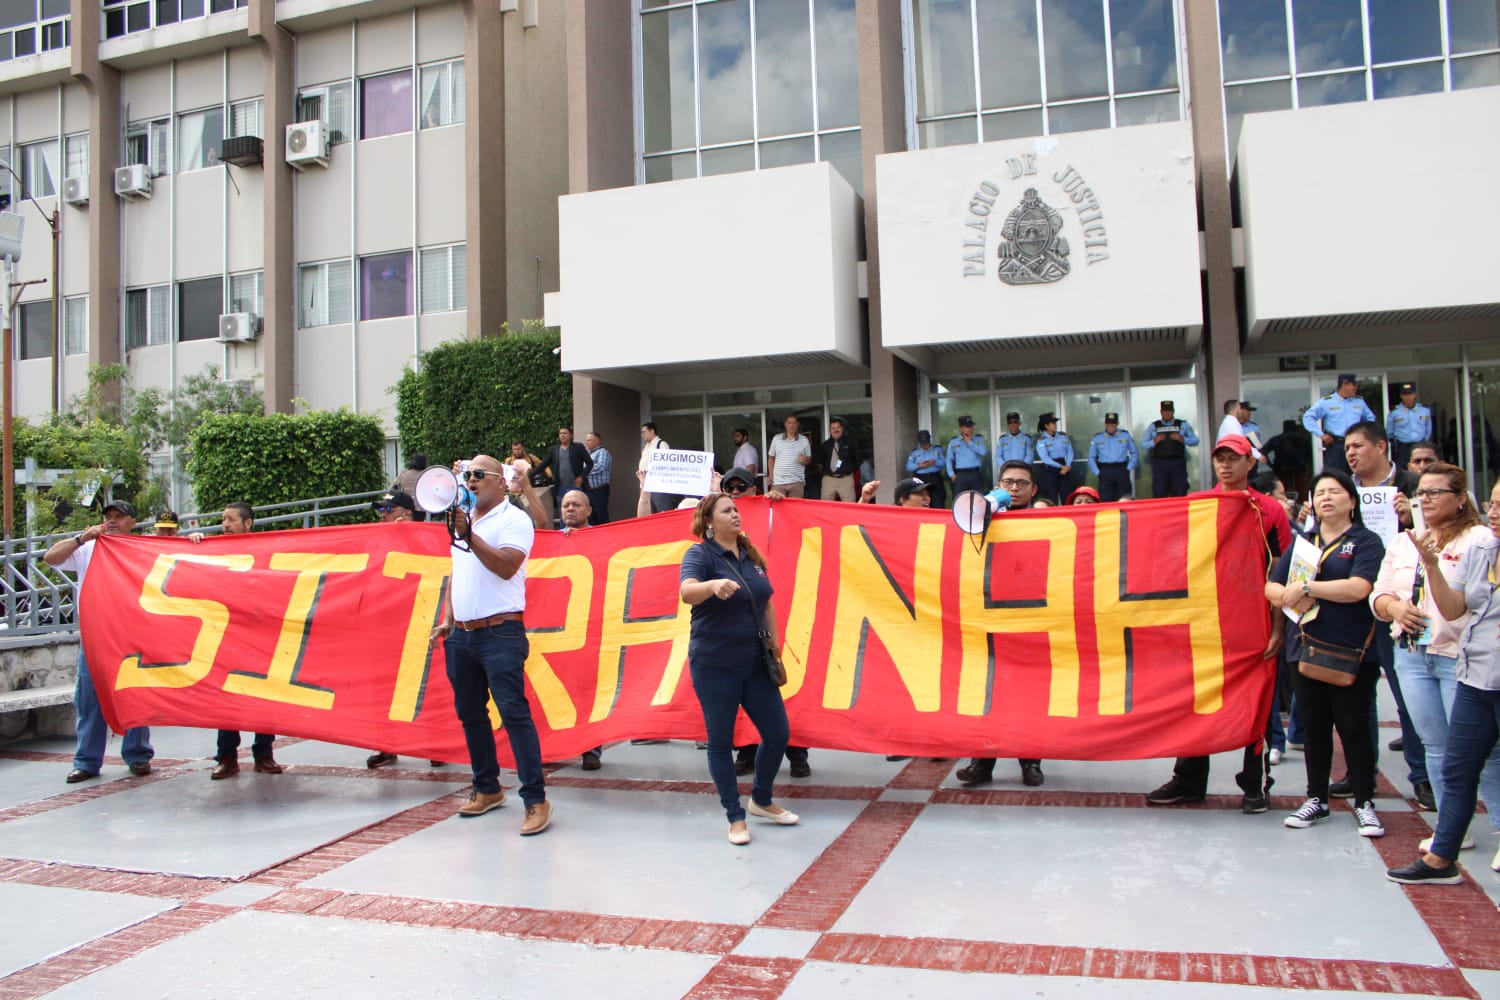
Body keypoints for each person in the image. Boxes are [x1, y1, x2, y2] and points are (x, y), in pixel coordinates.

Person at [1147, 435, 1290, 812]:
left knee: (1258, 701)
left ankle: (1256, 783)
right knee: (1197, 699)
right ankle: (1189, 779)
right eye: (1220, 458)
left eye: (1234, 458)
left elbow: (1283, 570)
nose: (1225, 465)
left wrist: (1278, 626)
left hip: (1254, 621)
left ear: (1250, 463)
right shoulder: (1197, 504)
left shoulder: (1269, 510)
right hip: (1205, 620)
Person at [1373, 463, 1500, 850]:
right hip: (1413, 654)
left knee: (1486, 751)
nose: (1424, 500)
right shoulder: (1404, 541)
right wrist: (1394, 608)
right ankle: (1451, 833)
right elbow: (1378, 594)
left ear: (1460, 499)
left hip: (1459, 656)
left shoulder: (1479, 539)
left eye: (1434, 492)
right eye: (1420, 493)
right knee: (1435, 744)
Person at [429, 456, 551, 834]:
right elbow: (458, 572)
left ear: (500, 481)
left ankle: (535, 799)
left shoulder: (514, 519)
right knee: (470, 714)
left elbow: (507, 566)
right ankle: (487, 787)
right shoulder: (465, 519)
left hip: (501, 632)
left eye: (479, 474)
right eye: (468, 475)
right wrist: (448, 618)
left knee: (514, 714)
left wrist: (469, 536)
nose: (471, 480)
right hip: (462, 634)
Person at [1267, 470, 1386, 838]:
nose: (1326, 498)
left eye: (1335, 491)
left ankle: (1364, 801)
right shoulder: (1304, 542)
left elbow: (1358, 588)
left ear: (1352, 500)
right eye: (1319, 493)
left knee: (1353, 727)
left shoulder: (1365, 541)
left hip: (1351, 649)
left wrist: (1307, 588)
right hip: (1304, 647)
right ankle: (1316, 799)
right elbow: (1272, 586)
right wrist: (1286, 594)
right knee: (1314, 728)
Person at [680, 492, 799, 845]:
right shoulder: (700, 554)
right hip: (714, 663)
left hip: (755, 660)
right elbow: (687, 592)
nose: (735, 514)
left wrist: (774, 647)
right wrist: (712, 585)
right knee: (720, 741)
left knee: (777, 733)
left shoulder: (751, 555)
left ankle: (761, 798)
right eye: (726, 510)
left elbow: (767, 604)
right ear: (709, 522)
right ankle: (735, 816)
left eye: (736, 509)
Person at [44, 500, 155, 784]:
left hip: (132, 635)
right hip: (96, 636)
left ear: (132, 522)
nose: (113, 520)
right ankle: (87, 761)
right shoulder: (88, 548)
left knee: (134, 694)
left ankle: (138, 755)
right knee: (89, 699)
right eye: (109, 516)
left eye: (120, 516)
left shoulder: (143, 548)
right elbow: (51, 558)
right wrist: (81, 538)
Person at [955, 460, 1047, 789]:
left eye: (1022, 483)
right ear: (998, 485)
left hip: (1032, 619)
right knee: (988, 694)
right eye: (1008, 482)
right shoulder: (985, 515)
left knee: (1028, 695)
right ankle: (982, 761)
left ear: (1034, 490)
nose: (1014, 488)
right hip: (990, 617)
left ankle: (1030, 761)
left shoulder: (1047, 521)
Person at [185, 503, 286, 780]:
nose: (225, 524)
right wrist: (194, 544)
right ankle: (226, 757)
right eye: (223, 519)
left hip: (259, 636)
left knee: (263, 695)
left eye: (231, 519)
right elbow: (190, 565)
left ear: (248, 523)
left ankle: (264, 753)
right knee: (226, 697)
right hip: (226, 637)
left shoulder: (266, 550)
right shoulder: (214, 549)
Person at [1303, 373, 1376, 474]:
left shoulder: (1359, 402)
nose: (1356, 387)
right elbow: (1308, 417)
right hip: (1336, 446)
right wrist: (1321, 435)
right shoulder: (1326, 402)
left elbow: (1370, 419)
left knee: (1360, 474)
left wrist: (1364, 433)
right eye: (1354, 385)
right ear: (1344, 384)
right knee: (1335, 476)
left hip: (1355, 444)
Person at [1140, 400, 1198, 498]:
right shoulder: (1154, 426)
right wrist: (1154, 441)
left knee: (1179, 491)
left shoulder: (1182, 424)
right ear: (1161, 412)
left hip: (1177, 463)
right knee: (1159, 492)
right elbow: (1143, 444)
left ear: (1173, 411)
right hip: (1160, 464)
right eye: (1164, 411)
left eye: (1169, 410)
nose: (1167, 413)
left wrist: (1182, 439)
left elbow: (1195, 441)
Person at [1088, 412, 1138, 502]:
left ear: (1117, 424)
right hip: (1105, 471)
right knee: (1105, 501)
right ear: (1105, 424)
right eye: (1108, 424)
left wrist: (1128, 468)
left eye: (1113, 424)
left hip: (1121, 470)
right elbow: (1091, 458)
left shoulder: (1125, 436)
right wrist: (1098, 473)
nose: (1111, 426)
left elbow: (1134, 453)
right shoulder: (1097, 438)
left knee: (1125, 500)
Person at [1263, 419, 1314, 500]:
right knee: (1300, 492)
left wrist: (1271, 465)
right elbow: (1312, 452)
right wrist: (1306, 464)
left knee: (1281, 491)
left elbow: (1263, 451)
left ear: (1283, 427)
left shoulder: (1277, 439)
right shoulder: (1302, 439)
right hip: (1298, 469)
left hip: (1282, 470)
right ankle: (1299, 504)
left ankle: (1283, 504)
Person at [1387, 383, 1433, 471]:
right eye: (1405, 394)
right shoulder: (1394, 412)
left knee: (1422, 469)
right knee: (1402, 471)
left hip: (1420, 445)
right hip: (1402, 447)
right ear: (1401, 396)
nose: (1408, 397)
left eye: (1410, 394)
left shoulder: (1424, 410)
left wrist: (1425, 443)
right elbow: (1389, 432)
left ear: (1414, 394)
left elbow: (1428, 430)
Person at [766, 414, 813, 499]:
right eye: (789, 423)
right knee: (777, 506)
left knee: (794, 507)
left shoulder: (804, 440)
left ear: (797, 424)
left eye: (794, 423)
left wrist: (804, 459)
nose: (792, 425)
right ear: (785, 424)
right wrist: (771, 475)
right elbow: (771, 458)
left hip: (797, 482)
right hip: (778, 482)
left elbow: (809, 460)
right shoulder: (776, 439)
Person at [817, 416, 860, 502]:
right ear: (829, 430)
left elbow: (857, 460)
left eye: (838, 427)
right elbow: (820, 462)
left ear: (842, 429)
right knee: (826, 507)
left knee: (849, 507)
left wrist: (848, 471)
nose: (836, 430)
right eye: (833, 428)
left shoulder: (850, 443)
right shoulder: (825, 445)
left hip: (845, 479)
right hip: (829, 479)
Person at [541, 426, 593, 496]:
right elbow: (543, 465)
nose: (562, 435)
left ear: (571, 435)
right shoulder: (554, 450)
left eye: (565, 433)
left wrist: (581, 477)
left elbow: (590, 464)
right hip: (560, 488)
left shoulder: (578, 447)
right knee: (561, 503)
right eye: (560, 433)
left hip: (576, 486)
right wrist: (529, 475)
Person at [1034, 413, 1072, 506]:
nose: (1055, 425)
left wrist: (1067, 465)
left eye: (1055, 423)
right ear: (1046, 426)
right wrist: (1061, 467)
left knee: (1067, 496)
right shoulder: (1042, 440)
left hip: (1064, 467)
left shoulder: (1063, 436)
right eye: (1052, 423)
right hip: (1050, 470)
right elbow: (1045, 458)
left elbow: (1070, 452)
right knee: (1051, 498)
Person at [946, 415, 987, 497]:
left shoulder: (978, 439)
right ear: (961, 428)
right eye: (967, 427)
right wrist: (951, 474)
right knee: (959, 498)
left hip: (975, 473)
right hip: (961, 474)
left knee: (978, 498)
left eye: (971, 426)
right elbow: (949, 459)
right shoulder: (954, 441)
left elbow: (983, 452)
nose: (970, 429)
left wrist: (970, 443)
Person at [905, 429, 947, 509]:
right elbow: (908, 467)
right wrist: (918, 465)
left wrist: (935, 462)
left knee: (938, 501)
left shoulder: (937, 450)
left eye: (927, 443)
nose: (925, 445)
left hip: (935, 478)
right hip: (921, 479)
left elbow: (944, 463)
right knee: (922, 502)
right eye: (923, 443)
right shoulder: (915, 453)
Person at [637, 422, 669, 516]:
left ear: (652, 431)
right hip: (646, 486)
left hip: (658, 485)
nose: (642, 435)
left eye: (644, 432)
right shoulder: (646, 447)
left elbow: (666, 464)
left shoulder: (661, 444)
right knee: (650, 513)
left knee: (661, 512)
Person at [583, 431, 612, 525]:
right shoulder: (588, 454)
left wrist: (584, 470)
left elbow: (600, 466)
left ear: (597, 441)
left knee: (601, 515)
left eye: (589, 440)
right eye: (586, 440)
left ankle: (606, 533)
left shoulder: (603, 452)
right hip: (589, 490)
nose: (587, 442)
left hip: (599, 489)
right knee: (591, 517)